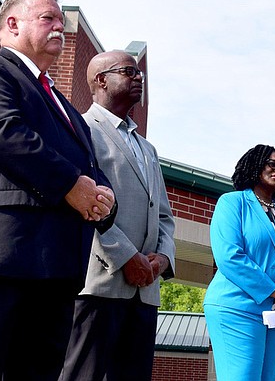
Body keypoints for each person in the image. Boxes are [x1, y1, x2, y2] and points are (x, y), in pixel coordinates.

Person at [0, 0, 116, 381]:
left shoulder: (63, 103)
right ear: (12, 23)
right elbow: (1, 134)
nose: (59, 27)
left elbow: (87, 164)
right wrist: (73, 185)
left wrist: (102, 195)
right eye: (47, 18)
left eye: (61, 21)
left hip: (57, 265)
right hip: (0, 257)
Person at [59, 51, 176, 381]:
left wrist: (163, 258)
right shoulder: (80, 128)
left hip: (145, 292)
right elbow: (80, 205)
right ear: (100, 80)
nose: (139, 78)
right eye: (129, 72)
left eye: (140, 73)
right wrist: (126, 257)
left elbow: (164, 215)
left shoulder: (148, 149)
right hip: (100, 284)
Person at [203, 144, 275, 380]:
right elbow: (230, 256)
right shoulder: (232, 203)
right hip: (237, 307)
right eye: (272, 164)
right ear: (254, 165)